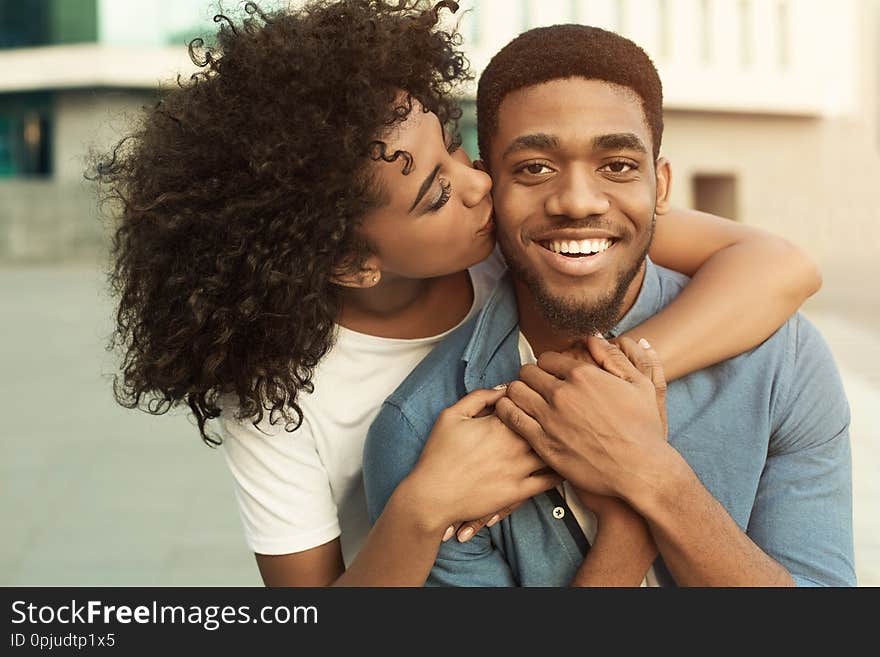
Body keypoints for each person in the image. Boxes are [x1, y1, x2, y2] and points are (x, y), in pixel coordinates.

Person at [95, 1, 823, 587]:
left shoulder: (517, 239)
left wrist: (607, 388)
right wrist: (423, 508)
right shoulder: (286, 401)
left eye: (454, 146)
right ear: (352, 260)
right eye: (438, 190)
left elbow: (777, 265)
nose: (479, 183)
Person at [363, 23, 855, 587]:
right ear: (489, 187)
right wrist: (629, 524)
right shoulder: (425, 433)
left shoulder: (782, 360)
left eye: (617, 165)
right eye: (534, 168)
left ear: (660, 186)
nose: (577, 201)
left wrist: (653, 479)